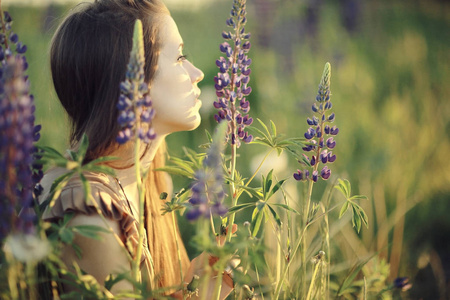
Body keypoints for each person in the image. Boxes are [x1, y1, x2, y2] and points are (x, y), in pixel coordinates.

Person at [39, 0, 234, 298]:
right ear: (132, 81)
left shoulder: (151, 179)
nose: (197, 73)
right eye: (180, 57)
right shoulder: (90, 215)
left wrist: (194, 287)